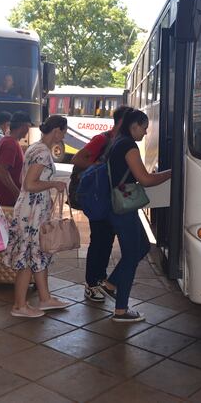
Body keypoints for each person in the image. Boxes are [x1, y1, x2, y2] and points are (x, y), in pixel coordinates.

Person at [101, 110, 171, 322]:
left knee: (141, 246)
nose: (146, 130)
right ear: (133, 126)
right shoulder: (128, 145)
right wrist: (171, 173)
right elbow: (145, 179)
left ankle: (111, 284)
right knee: (132, 255)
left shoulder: (117, 141)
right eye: (144, 126)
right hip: (123, 208)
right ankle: (121, 310)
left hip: (118, 205)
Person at [4, 115, 71, 317]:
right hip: (31, 213)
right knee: (27, 257)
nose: (64, 135)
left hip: (31, 210)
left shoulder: (36, 147)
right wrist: (54, 184)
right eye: (64, 131)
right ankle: (19, 306)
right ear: (57, 131)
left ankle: (45, 298)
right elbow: (30, 184)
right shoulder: (42, 153)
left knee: (37, 253)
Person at [71, 105, 133, 302]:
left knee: (106, 240)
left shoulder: (120, 141)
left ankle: (100, 278)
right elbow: (77, 158)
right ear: (123, 122)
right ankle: (91, 283)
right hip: (97, 198)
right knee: (98, 240)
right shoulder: (103, 139)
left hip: (110, 199)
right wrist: (99, 167)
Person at [0, 112, 32, 206]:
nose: (28, 130)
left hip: (5, 195)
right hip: (6, 198)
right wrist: (16, 193)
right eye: (28, 127)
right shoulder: (10, 144)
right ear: (23, 126)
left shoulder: (8, 140)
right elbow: (2, 171)